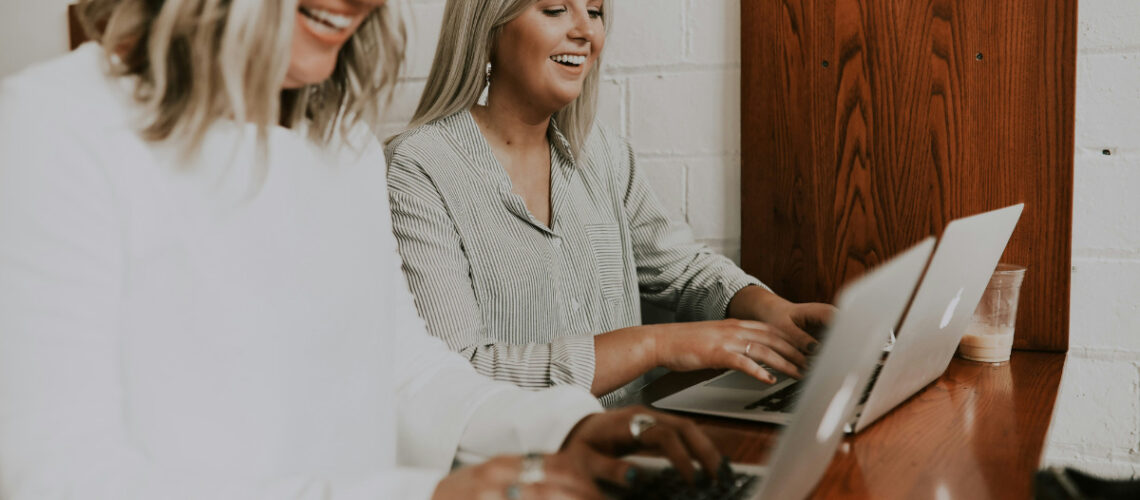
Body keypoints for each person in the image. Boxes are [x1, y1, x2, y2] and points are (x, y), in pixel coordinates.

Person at [0, 1, 723, 498]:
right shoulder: (56, 128)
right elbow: (62, 478)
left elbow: (405, 373)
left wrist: (567, 426)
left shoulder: (339, 139)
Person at [385, 0, 836, 404]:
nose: (587, 31)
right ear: (489, 26)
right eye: (555, 9)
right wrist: (656, 345)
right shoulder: (418, 168)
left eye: (595, 11)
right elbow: (459, 373)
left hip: (632, 450)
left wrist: (778, 313)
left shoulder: (601, 153)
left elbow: (684, 269)